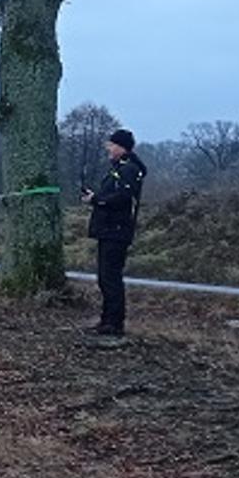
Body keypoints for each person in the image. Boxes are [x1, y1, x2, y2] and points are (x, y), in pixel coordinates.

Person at [81, 129, 146, 336]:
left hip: (116, 231)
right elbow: (114, 195)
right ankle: (107, 320)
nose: (108, 148)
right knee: (104, 277)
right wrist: (97, 197)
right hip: (109, 230)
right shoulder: (120, 169)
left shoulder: (128, 170)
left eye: (111, 145)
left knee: (110, 278)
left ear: (121, 147)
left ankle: (114, 324)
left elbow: (122, 198)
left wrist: (97, 200)